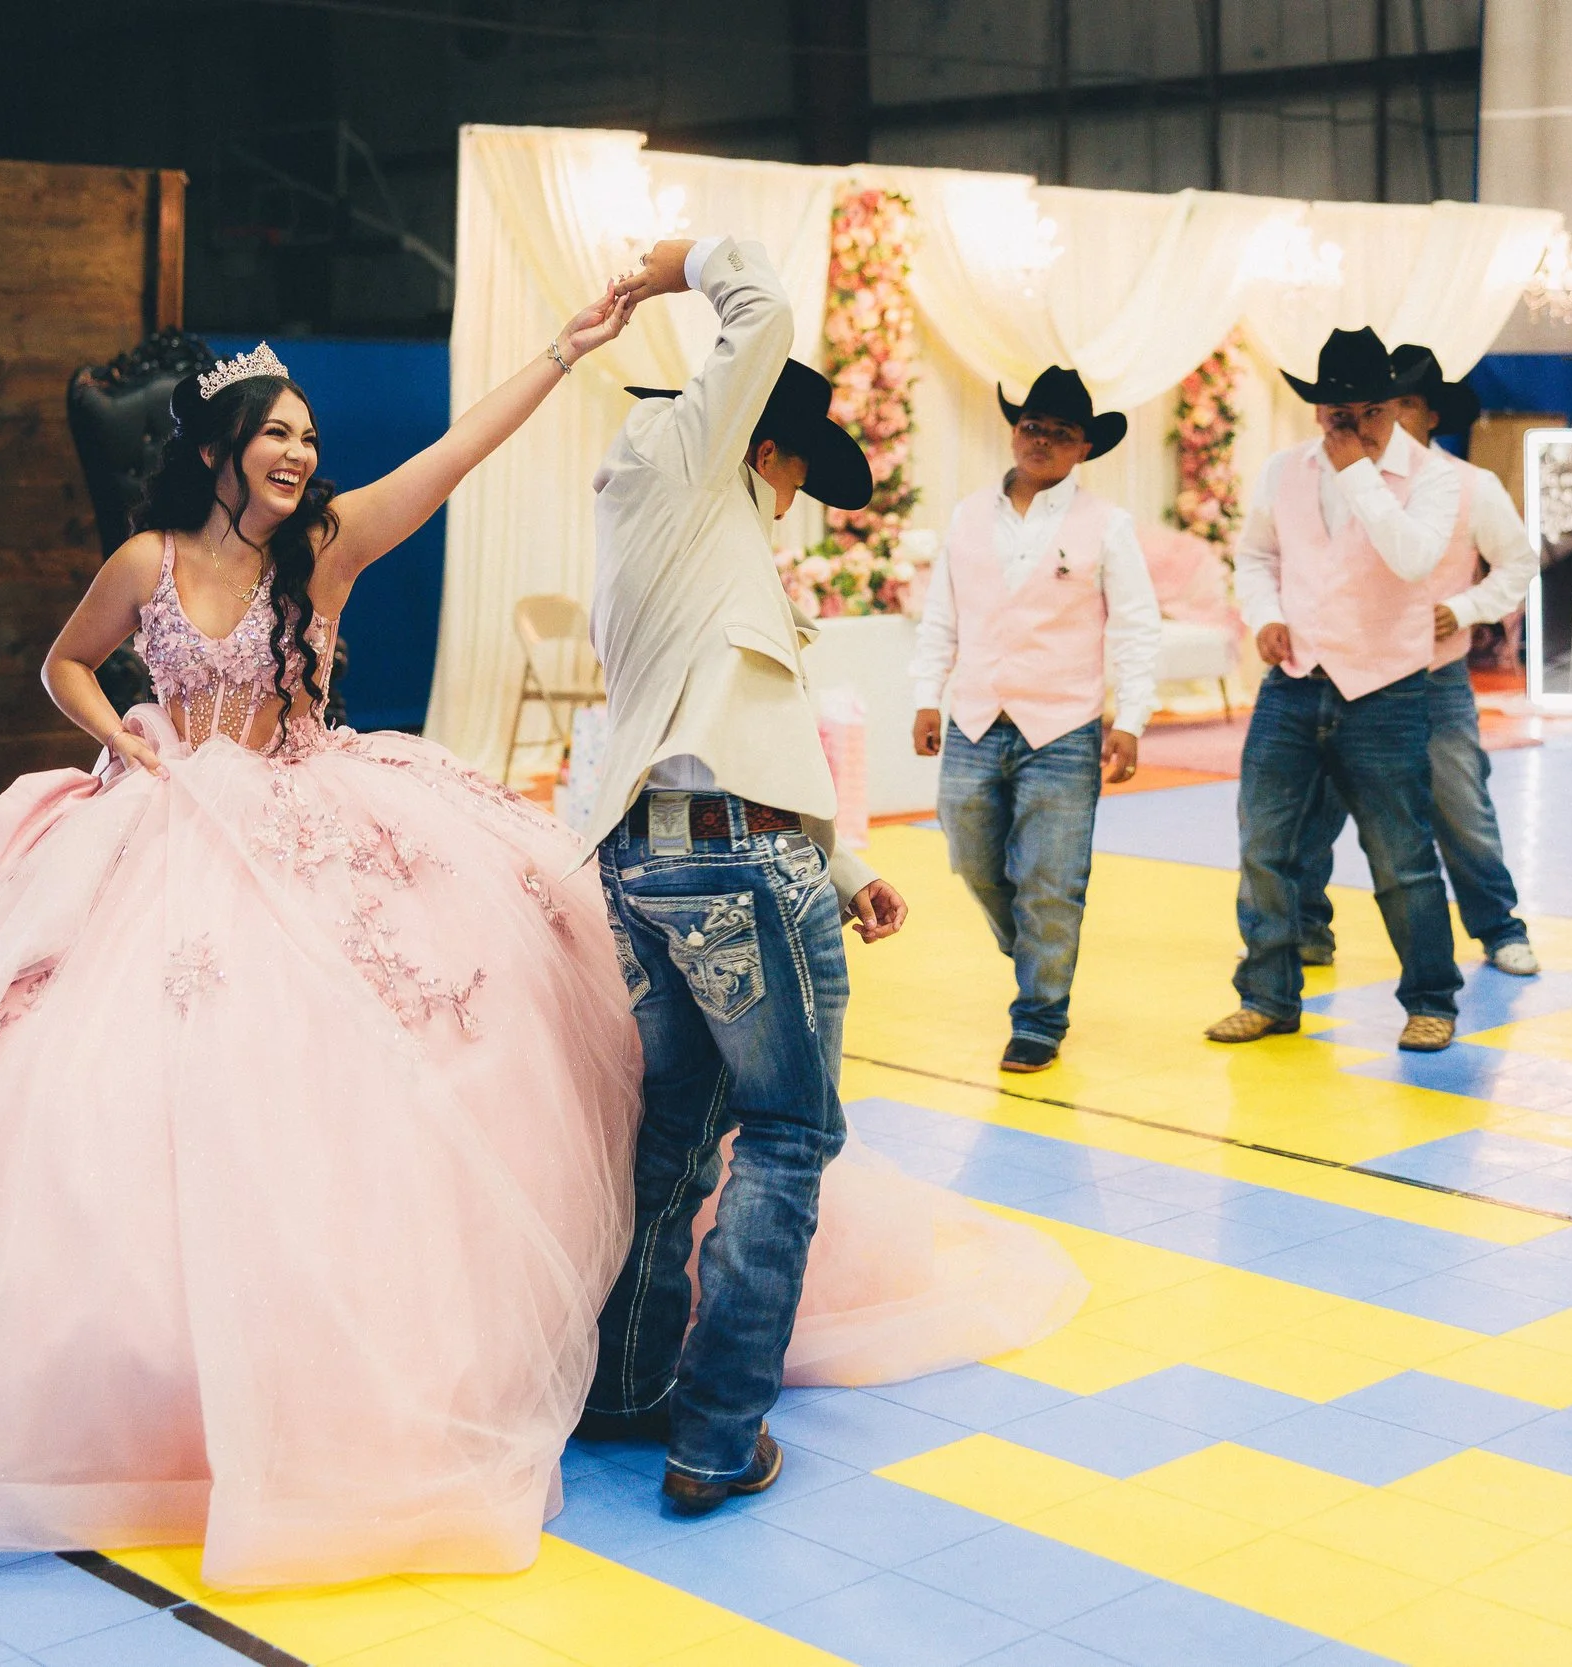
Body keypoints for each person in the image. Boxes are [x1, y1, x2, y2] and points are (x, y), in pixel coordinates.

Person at [0, 297, 663, 1589]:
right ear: (219, 448)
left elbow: (456, 454)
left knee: (382, 1052)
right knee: (80, 1090)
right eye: (278, 433)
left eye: (310, 436)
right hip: (158, 823)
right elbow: (65, 663)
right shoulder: (146, 561)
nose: (302, 453)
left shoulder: (323, 550)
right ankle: (107, 1367)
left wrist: (567, 349)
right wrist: (130, 733)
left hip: (304, 809)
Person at [581, 233, 948, 1515]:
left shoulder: (662, 521)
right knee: (787, 1131)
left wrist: (838, 858)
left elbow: (716, 717)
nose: (794, 504)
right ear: (769, 447)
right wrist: (674, 259)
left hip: (649, 859)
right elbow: (767, 300)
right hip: (736, 861)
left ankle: (626, 1388)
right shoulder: (688, 463)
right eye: (798, 478)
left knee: (676, 1133)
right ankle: (718, 1434)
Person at [1210, 326, 1465, 1053]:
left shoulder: (1434, 475)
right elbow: (1255, 554)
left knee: (1402, 857)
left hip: (1384, 690)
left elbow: (1414, 558)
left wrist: (1358, 472)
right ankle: (1267, 995)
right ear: (1317, 409)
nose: (1349, 426)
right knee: (1265, 845)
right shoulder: (1284, 469)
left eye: (1366, 413)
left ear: (1393, 407)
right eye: (1335, 414)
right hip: (1293, 683)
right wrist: (1264, 615)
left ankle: (1430, 999)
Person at [910, 366, 1161, 1075]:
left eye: (1059, 432)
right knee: (966, 848)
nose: (1041, 439)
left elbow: (1136, 627)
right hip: (974, 714)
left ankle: (1040, 1016)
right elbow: (941, 615)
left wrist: (1132, 717)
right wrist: (928, 694)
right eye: (1031, 426)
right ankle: (1034, 950)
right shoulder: (965, 516)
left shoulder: (1107, 525)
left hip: (1065, 726)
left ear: (1084, 447)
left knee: (1052, 879)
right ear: (1015, 431)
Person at [1294, 345, 1540, 977]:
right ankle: (1304, 928)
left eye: (1403, 404)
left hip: (1431, 678)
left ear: (1430, 416)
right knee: (1312, 807)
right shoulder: (1331, 476)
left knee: (1460, 806)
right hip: (1344, 672)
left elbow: (1518, 565)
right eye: (1379, 404)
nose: (1386, 418)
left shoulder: (1468, 486)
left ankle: (1498, 925)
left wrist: (1462, 608)